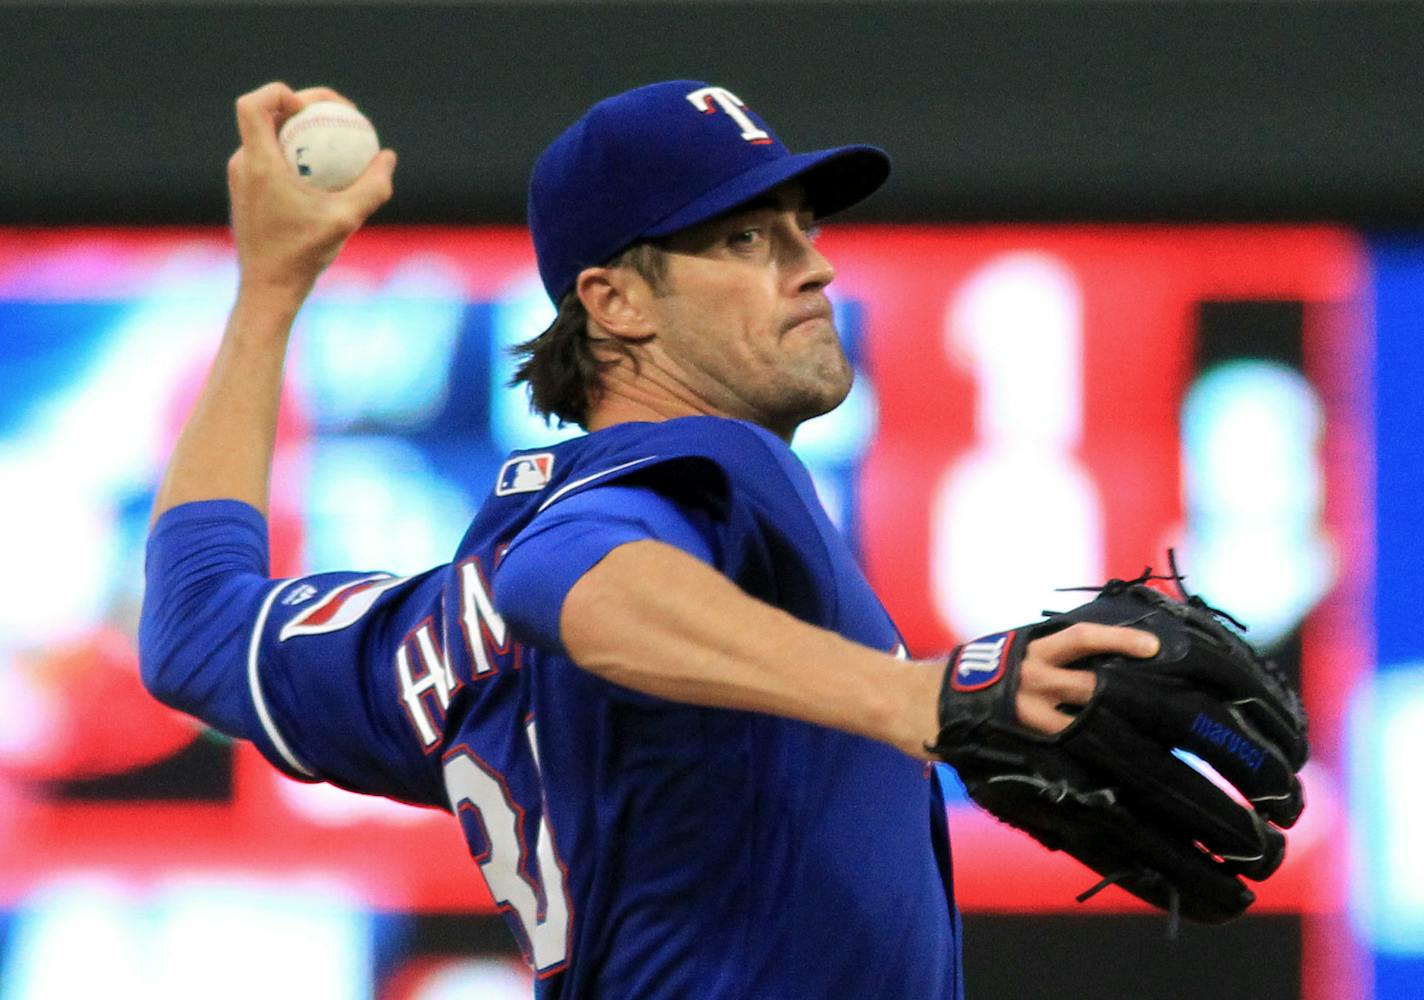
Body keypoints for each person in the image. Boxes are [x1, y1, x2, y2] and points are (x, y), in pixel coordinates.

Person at [139, 79, 1160, 998]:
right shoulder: (717, 470)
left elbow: (194, 627)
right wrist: (913, 696)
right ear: (614, 301)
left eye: (804, 227)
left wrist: (270, 288)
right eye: (746, 238)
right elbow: (574, 575)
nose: (814, 266)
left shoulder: (446, 628)